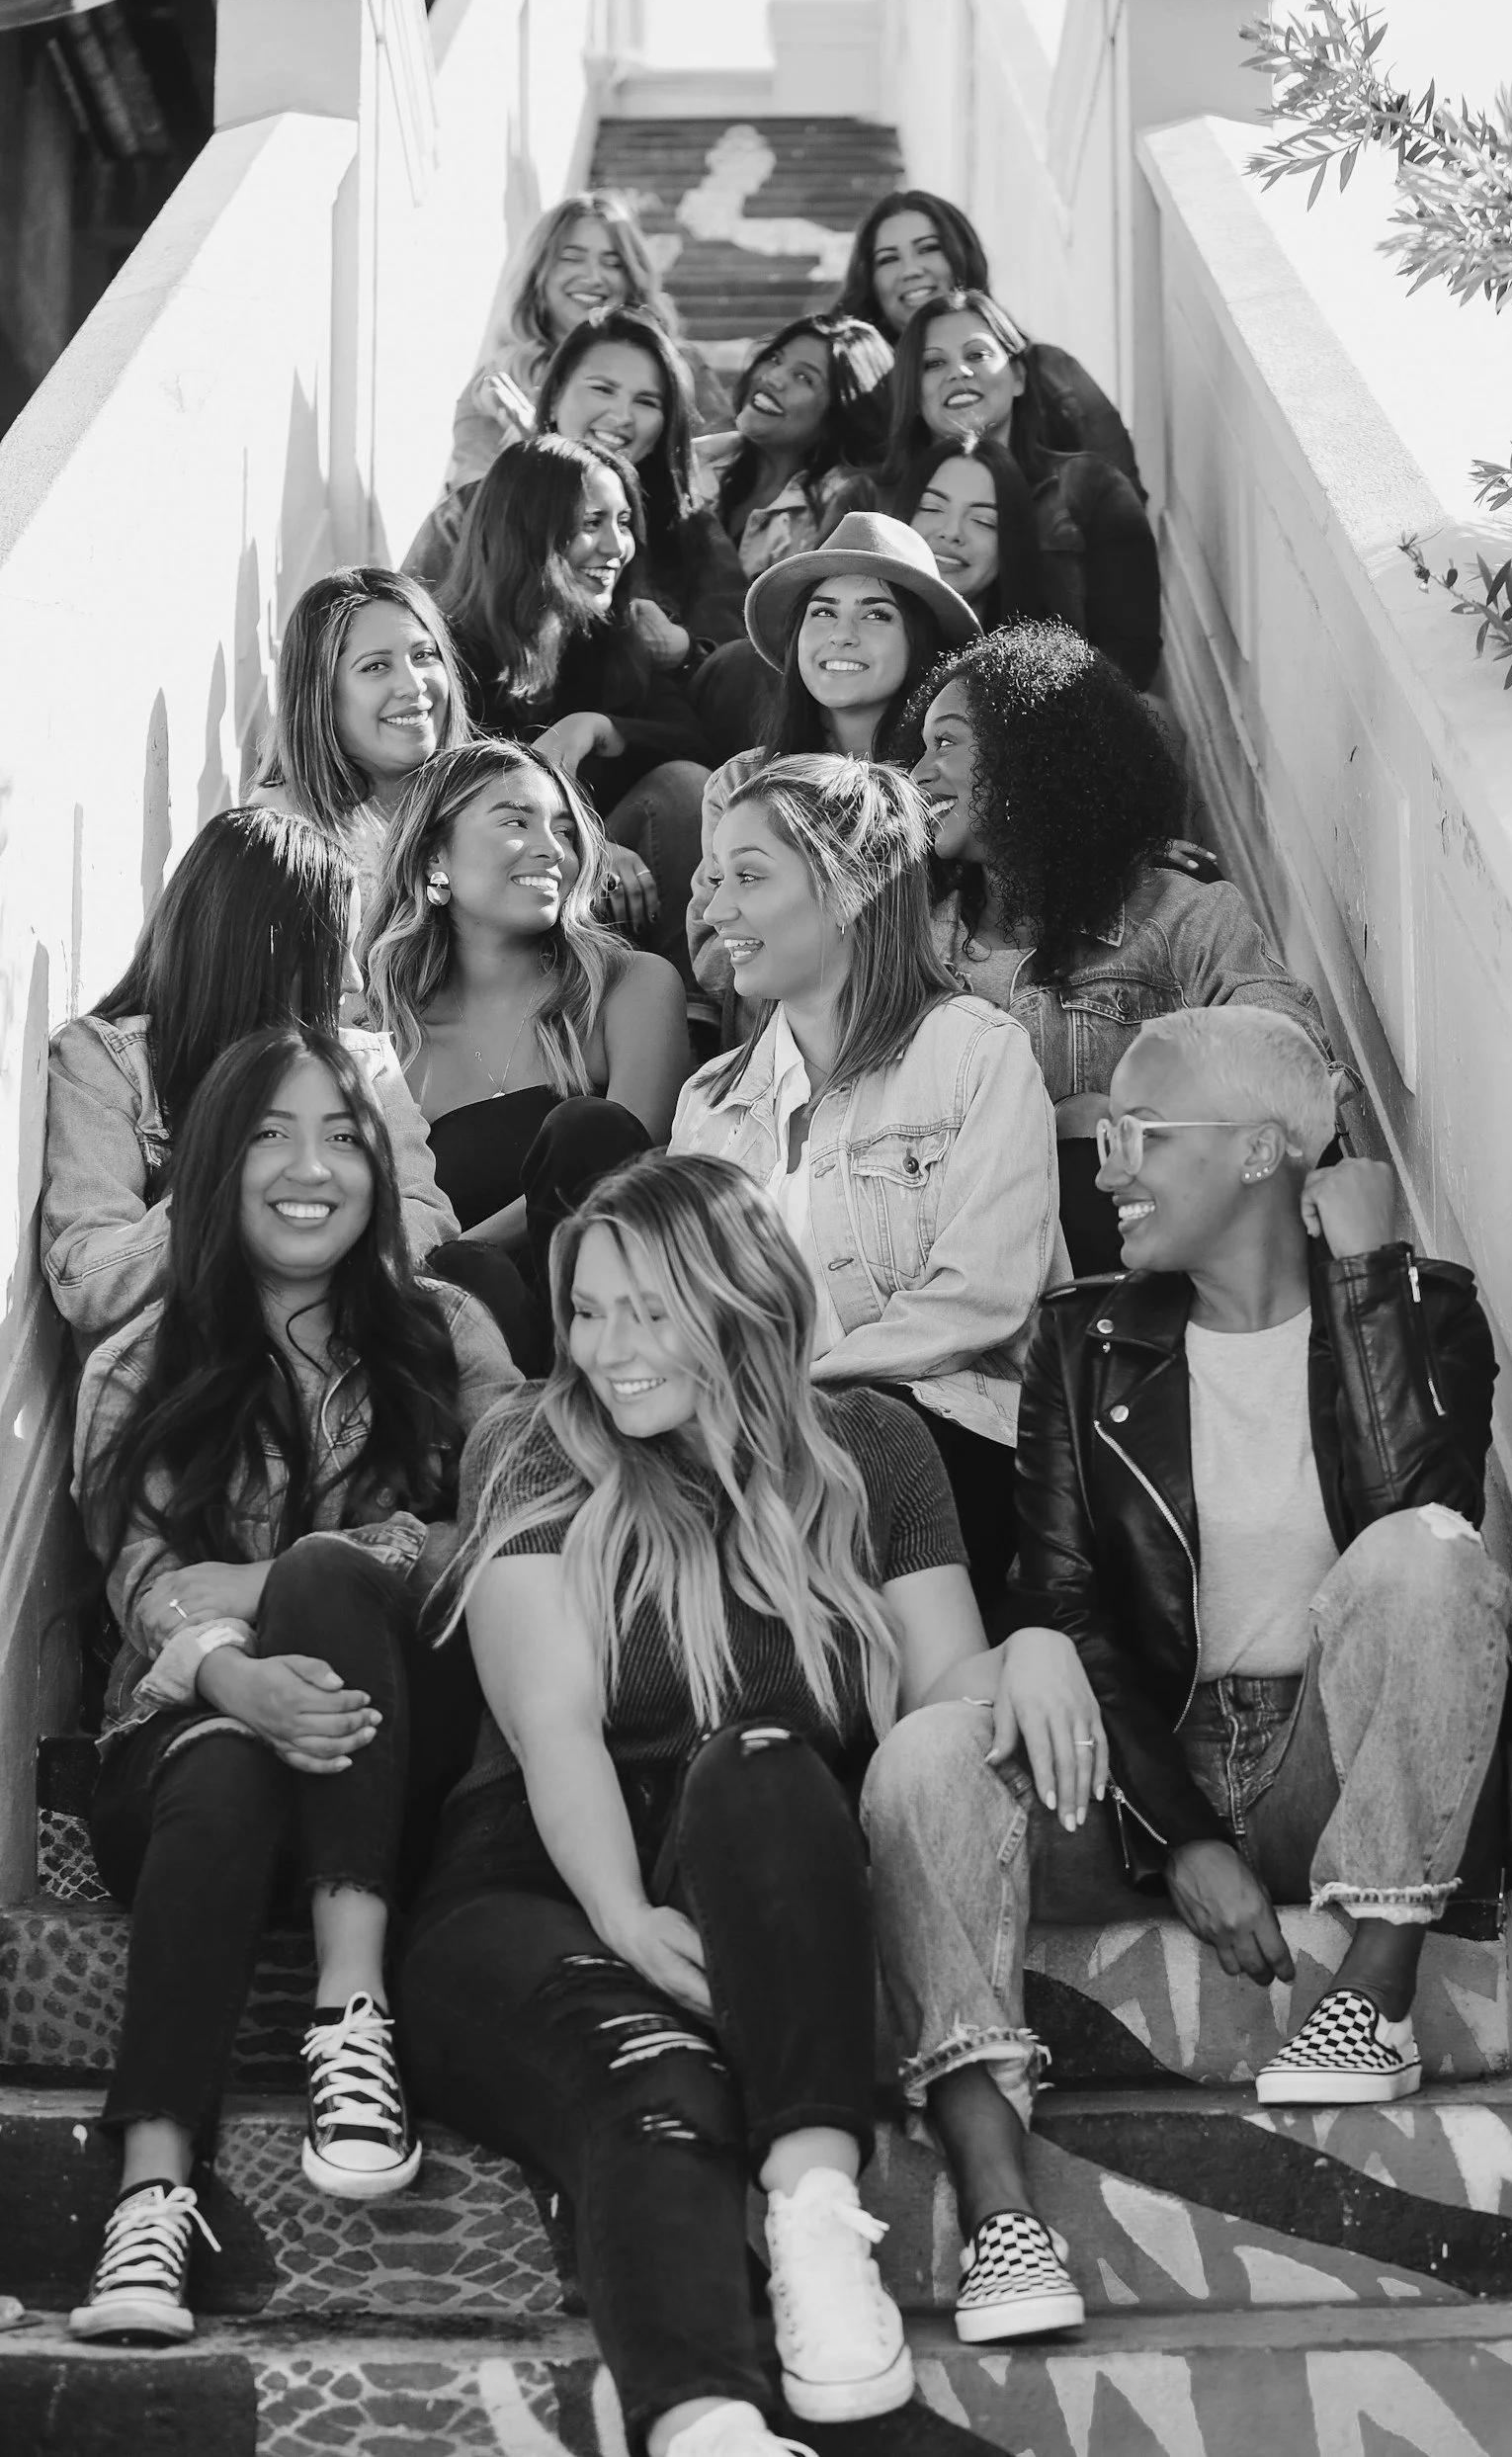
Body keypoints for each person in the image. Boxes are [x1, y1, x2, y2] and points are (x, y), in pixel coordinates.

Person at [397, 1153, 1099, 2454]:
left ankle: (816, 2221)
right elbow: (552, 1733)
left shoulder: (871, 1447)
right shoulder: (529, 1446)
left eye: (647, 1310)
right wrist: (619, 1915)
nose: (607, 1349)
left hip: (761, 1878)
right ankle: (707, 2425)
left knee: (765, 1757)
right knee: (654, 2085)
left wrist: (1037, 1648)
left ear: (739, 1301)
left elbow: (943, 1692)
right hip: (531, 1883)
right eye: (589, 1311)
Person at [866, 1002, 1512, 2318]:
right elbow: (1060, 1602)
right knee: (926, 1752)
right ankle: (1000, 2220)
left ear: (1264, 1152)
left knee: (1432, 1554)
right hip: (1133, 1769)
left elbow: (1408, 1517)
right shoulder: (1079, 1340)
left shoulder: (1422, 1315)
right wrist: (1176, 1837)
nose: (1102, 1168)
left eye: (1138, 1135)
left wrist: (1365, 1278)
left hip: (1327, 1765)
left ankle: (1373, 1994)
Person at [66, 1026, 521, 2344]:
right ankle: (150, 2199)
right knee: (221, 1759)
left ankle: (351, 2012)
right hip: (188, 1762)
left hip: (401, 1763)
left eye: (340, 1132)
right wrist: (231, 1679)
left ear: (380, 1166)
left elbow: (511, 1533)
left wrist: (277, 1592)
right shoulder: (133, 1369)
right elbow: (146, 1593)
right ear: (214, 1163)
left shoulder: (446, 1334)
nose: (308, 1166)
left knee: (323, 1575)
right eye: (269, 1132)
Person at [674, 755, 1064, 1609]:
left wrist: (791, 1401)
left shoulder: (973, 1054)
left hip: (943, 1438)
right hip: (759, 1454)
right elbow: (686, 1314)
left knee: (862, 1434)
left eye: (749, 876)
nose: (714, 908)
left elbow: (981, 1298)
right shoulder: (709, 1104)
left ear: (847, 889)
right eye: (715, 878)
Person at [911, 624, 1335, 1272]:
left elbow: (1289, 1062)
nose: (919, 773)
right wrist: (1060, 1128)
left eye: (946, 742)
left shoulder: (1187, 916)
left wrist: (1129, 1119)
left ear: (1035, 753)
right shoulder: (913, 944)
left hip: (1158, 1279)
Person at [42, 808, 456, 1360]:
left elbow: (427, 1216)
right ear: (265, 953)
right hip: (187, 1379)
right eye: (335, 951)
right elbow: (85, 1278)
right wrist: (239, 1197)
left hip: (338, 1354)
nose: (354, 981)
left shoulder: (362, 1064)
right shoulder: (108, 1063)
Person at [365, 739, 691, 1365]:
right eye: (517, 821)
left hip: (616, 1341)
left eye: (564, 831)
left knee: (586, 1131)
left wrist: (445, 1262)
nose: (552, 849)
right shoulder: (384, 1040)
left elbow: (636, 1166)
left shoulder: (633, 986)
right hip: (456, 1358)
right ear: (436, 855)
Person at [436, 433, 711, 992]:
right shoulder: (447, 653)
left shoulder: (615, 633)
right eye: (592, 523)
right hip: (500, 885)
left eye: (625, 522)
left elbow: (695, 744)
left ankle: (695, 1017)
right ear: (527, 529)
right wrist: (582, 845)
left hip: (622, 894)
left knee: (684, 788)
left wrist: (601, 727)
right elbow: (450, 806)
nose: (617, 546)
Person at [687, 513, 978, 1021]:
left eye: (876, 615)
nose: (842, 635)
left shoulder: (947, 781)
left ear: (920, 640)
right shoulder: (740, 783)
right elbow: (716, 958)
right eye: (822, 613)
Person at [408, 310, 746, 668]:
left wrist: (684, 651)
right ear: (553, 397)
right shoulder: (469, 510)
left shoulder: (690, 528)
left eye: (646, 401)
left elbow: (740, 661)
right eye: (602, 389)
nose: (622, 416)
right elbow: (408, 634)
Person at [881, 291, 1160, 688]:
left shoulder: (1089, 485)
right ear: (912, 391)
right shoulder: (869, 498)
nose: (958, 371)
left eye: (977, 355)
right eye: (933, 363)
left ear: (1018, 376)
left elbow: (1132, 651)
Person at [834, 190, 1142, 493]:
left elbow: (1122, 492)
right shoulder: (854, 397)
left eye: (928, 248)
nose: (911, 270)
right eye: (888, 259)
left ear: (961, 257)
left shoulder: (1050, 370)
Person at [444, 192, 725, 494]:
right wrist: (535, 460)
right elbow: (471, 505)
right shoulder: (497, 383)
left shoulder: (681, 366)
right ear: (538, 274)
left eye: (613, 263)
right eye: (571, 258)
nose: (593, 277)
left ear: (633, 277)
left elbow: (722, 471)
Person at [248, 568, 473, 903]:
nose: (413, 685)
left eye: (423, 655)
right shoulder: (283, 825)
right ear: (319, 693)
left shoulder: (484, 796)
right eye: (376, 666)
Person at [694, 313, 893, 581]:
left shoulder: (845, 506)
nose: (772, 377)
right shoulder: (697, 459)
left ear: (844, 411)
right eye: (775, 359)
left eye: (803, 377)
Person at [886, 432, 1052, 631]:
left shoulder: (1043, 657)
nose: (952, 531)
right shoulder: (853, 639)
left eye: (983, 521)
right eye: (932, 508)